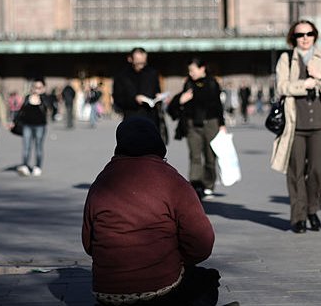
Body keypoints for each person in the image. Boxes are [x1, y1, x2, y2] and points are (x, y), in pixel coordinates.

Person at [82, 116, 223, 306]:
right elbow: (202, 242)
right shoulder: (172, 180)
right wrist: (178, 259)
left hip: (107, 294)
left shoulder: (101, 182)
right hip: (159, 289)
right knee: (208, 280)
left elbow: (88, 244)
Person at [271, 20, 321, 234]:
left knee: (318, 170)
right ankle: (298, 217)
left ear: (315, 36)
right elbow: (281, 87)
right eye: (300, 35)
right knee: (295, 171)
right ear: (293, 38)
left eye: (309, 33)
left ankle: (312, 209)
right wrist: (301, 85)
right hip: (295, 124)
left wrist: (319, 77)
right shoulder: (286, 59)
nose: (305, 38)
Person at [168, 57, 225, 198]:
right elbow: (176, 103)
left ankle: (209, 184)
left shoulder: (212, 83)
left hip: (211, 123)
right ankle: (196, 185)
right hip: (192, 124)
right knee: (195, 156)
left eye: (192, 70)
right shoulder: (188, 83)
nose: (190, 73)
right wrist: (181, 100)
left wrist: (222, 124)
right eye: (189, 70)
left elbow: (218, 106)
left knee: (211, 156)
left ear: (202, 68)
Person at [113, 47, 167, 143]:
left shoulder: (152, 73)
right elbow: (118, 99)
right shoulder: (122, 76)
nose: (141, 65)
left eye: (143, 62)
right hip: (131, 118)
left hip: (151, 119)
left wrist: (159, 97)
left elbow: (156, 91)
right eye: (138, 62)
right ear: (130, 59)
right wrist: (134, 99)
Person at [13, 79, 49, 176]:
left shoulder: (45, 98)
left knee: (38, 147)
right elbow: (21, 111)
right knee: (26, 146)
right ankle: (25, 165)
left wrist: (42, 96)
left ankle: (37, 166)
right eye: (35, 87)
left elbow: (49, 107)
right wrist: (14, 122)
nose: (37, 89)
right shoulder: (27, 98)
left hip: (40, 126)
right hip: (27, 125)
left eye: (39, 87)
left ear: (43, 88)